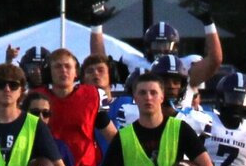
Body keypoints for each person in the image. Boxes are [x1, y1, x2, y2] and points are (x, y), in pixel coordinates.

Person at [90, 9, 223, 111]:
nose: (161, 50)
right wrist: (96, 26)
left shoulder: (185, 65)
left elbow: (215, 60)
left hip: (180, 123)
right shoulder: (134, 63)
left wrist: (208, 23)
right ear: (147, 46)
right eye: (156, 45)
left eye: (166, 45)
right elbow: (100, 65)